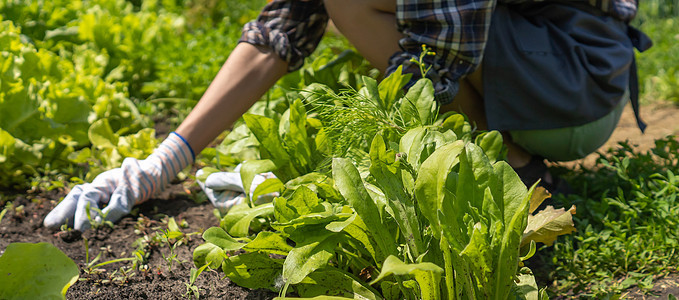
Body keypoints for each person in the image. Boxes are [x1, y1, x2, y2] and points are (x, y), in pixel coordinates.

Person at [44, 0, 651, 231]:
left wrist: (327, 178)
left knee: (354, 6)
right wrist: (162, 161)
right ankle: (501, 159)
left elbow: (450, 40)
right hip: (534, 77)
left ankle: (517, 169)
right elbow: (283, 29)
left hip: (581, 80)